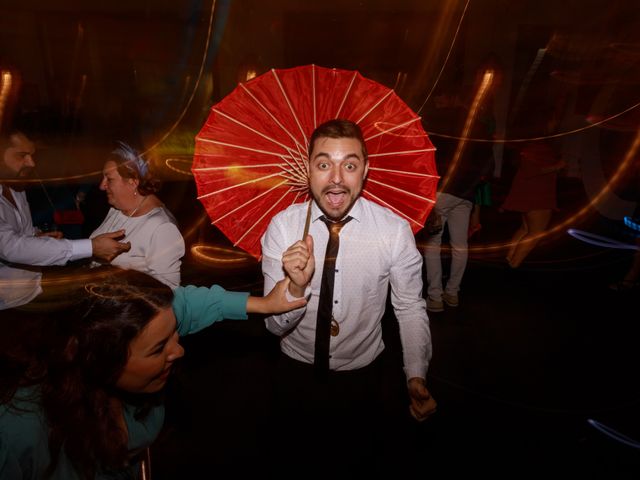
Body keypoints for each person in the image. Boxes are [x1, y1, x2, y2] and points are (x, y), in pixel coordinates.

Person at [0, 266, 306, 479]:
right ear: (102, 361)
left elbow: (185, 304)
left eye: (175, 334)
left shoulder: (141, 328)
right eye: (160, 349)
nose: (179, 349)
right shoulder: (19, 429)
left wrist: (265, 304)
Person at [261, 119, 436, 469]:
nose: (337, 178)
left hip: (364, 380)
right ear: (308, 168)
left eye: (350, 165)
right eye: (324, 164)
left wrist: (416, 375)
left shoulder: (393, 230)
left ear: (365, 170)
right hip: (294, 375)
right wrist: (295, 286)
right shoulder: (283, 227)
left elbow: (410, 307)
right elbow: (273, 327)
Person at [0, 130, 131, 270]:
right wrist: (91, 247)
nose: (32, 163)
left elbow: (18, 232)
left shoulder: (16, 187)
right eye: (22, 156)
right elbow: (9, 246)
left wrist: (34, 235)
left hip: (32, 284)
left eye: (32, 155)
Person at [423, 91, 495, 312]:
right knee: (460, 245)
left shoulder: (439, 123)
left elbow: (426, 158)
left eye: (440, 98)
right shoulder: (477, 126)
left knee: (432, 244)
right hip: (466, 194)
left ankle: (435, 297)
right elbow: (488, 165)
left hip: (442, 191)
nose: (437, 102)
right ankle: (453, 293)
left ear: (451, 98)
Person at [89, 142, 185, 288]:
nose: (102, 186)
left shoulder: (162, 227)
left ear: (133, 181)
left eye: (109, 179)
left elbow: (167, 294)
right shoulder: (117, 210)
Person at [501, 142, 566, 268]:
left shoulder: (530, 146)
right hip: (538, 195)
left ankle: (510, 260)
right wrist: (557, 166)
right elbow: (531, 171)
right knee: (535, 233)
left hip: (531, 193)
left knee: (525, 229)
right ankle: (514, 264)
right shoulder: (538, 146)